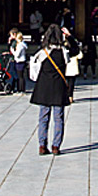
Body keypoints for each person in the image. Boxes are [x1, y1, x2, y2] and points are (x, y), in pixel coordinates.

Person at [30, 24, 70, 155]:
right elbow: (75, 51)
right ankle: (56, 146)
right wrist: (70, 37)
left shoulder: (43, 52)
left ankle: (42, 145)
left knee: (43, 117)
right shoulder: (64, 52)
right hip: (58, 88)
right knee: (58, 118)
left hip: (44, 88)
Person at [63, 28, 82, 102]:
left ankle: (69, 96)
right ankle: (69, 96)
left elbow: (75, 47)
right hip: (68, 65)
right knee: (70, 82)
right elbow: (75, 46)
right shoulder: (64, 45)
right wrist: (69, 35)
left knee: (69, 82)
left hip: (69, 65)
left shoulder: (65, 46)